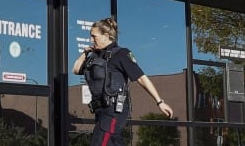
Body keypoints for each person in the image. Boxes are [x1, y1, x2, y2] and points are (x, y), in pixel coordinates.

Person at [73, 17, 173, 146]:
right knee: (113, 142)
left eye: (94, 36)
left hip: (114, 111)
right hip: (100, 111)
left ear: (106, 35)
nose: (91, 40)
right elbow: (76, 69)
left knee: (98, 143)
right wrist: (85, 53)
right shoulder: (94, 57)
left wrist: (160, 102)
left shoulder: (121, 54)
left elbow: (141, 78)